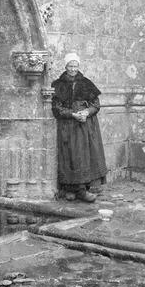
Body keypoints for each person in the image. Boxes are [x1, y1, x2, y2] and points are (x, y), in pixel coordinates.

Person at [51, 53, 107, 202]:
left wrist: (86, 112)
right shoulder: (58, 85)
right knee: (69, 156)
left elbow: (96, 105)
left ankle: (83, 190)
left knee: (84, 156)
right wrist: (72, 114)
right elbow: (56, 108)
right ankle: (70, 189)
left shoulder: (86, 83)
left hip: (85, 126)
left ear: (79, 67)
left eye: (75, 66)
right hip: (68, 125)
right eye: (70, 66)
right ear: (65, 66)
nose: (73, 69)